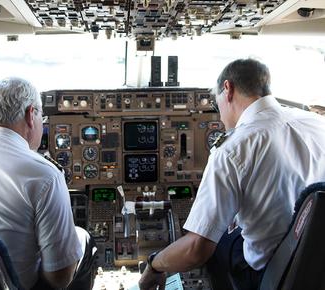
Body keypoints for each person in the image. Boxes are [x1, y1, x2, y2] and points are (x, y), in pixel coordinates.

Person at [138, 58, 325, 290]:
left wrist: (155, 264)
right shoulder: (317, 123)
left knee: (215, 245)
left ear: (228, 89)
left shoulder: (233, 148)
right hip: (316, 261)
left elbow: (197, 249)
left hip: (269, 270)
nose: (220, 116)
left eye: (217, 106)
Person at [0, 77, 96, 290]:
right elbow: (60, 276)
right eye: (41, 114)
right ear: (30, 114)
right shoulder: (45, 174)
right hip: (18, 286)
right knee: (84, 239)